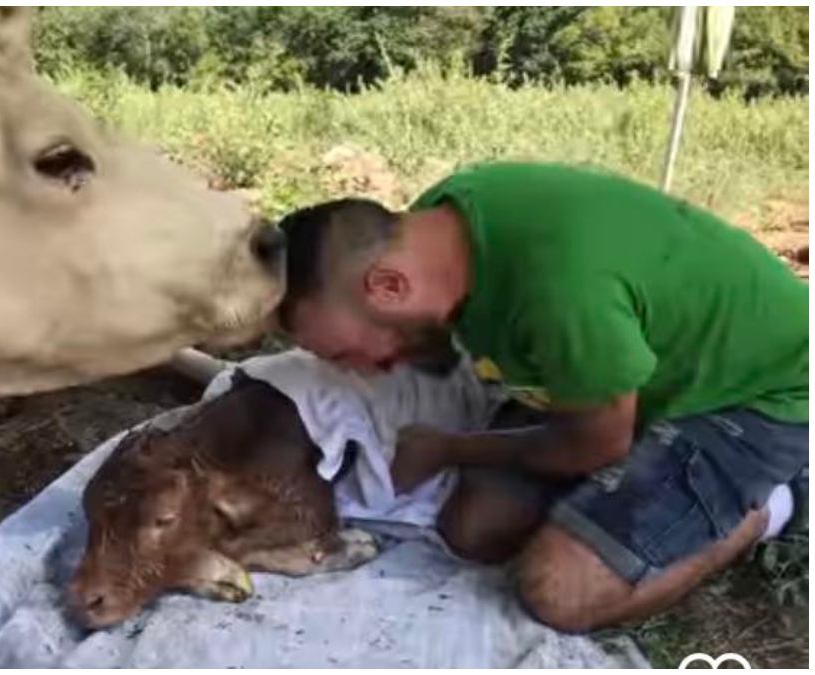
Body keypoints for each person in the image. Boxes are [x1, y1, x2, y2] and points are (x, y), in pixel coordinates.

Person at [274, 161, 808, 632]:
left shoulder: (559, 297)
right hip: (632, 380)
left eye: (349, 355)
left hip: (760, 397)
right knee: (474, 527)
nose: (369, 371)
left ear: (389, 287)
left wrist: (448, 449)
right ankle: (634, 475)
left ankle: (766, 506)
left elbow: (599, 445)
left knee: (559, 591)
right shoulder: (441, 220)